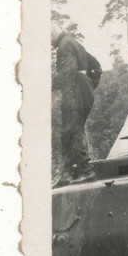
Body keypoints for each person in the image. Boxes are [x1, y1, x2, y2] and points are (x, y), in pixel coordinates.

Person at [51, 24, 102, 186]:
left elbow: (67, 73)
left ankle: (86, 172)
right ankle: (69, 174)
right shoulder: (75, 43)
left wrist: (48, 84)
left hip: (74, 92)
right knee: (69, 132)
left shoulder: (63, 46)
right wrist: (89, 85)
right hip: (82, 90)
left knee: (73, 131)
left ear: (53, 34)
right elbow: (96, 67)